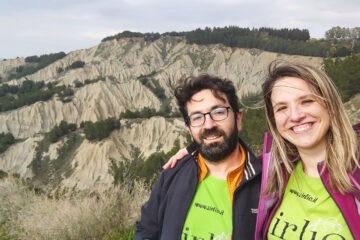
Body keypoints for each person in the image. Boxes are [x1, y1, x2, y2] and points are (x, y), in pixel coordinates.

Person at [165, 62, 360, 240]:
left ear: (330, 103)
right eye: (282, 108)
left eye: (307, 101)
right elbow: (228, 156)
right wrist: (196, 147)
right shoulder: (273, 173)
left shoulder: (356, 174)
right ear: (274, 119)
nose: (295, 115)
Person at [135, 74, 262, 240]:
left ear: (238, 119)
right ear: (189, 129)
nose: (208, 125)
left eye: (218, 112)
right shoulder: (173, 173)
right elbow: (147, 228)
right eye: (197, 117)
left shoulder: (266, 185)